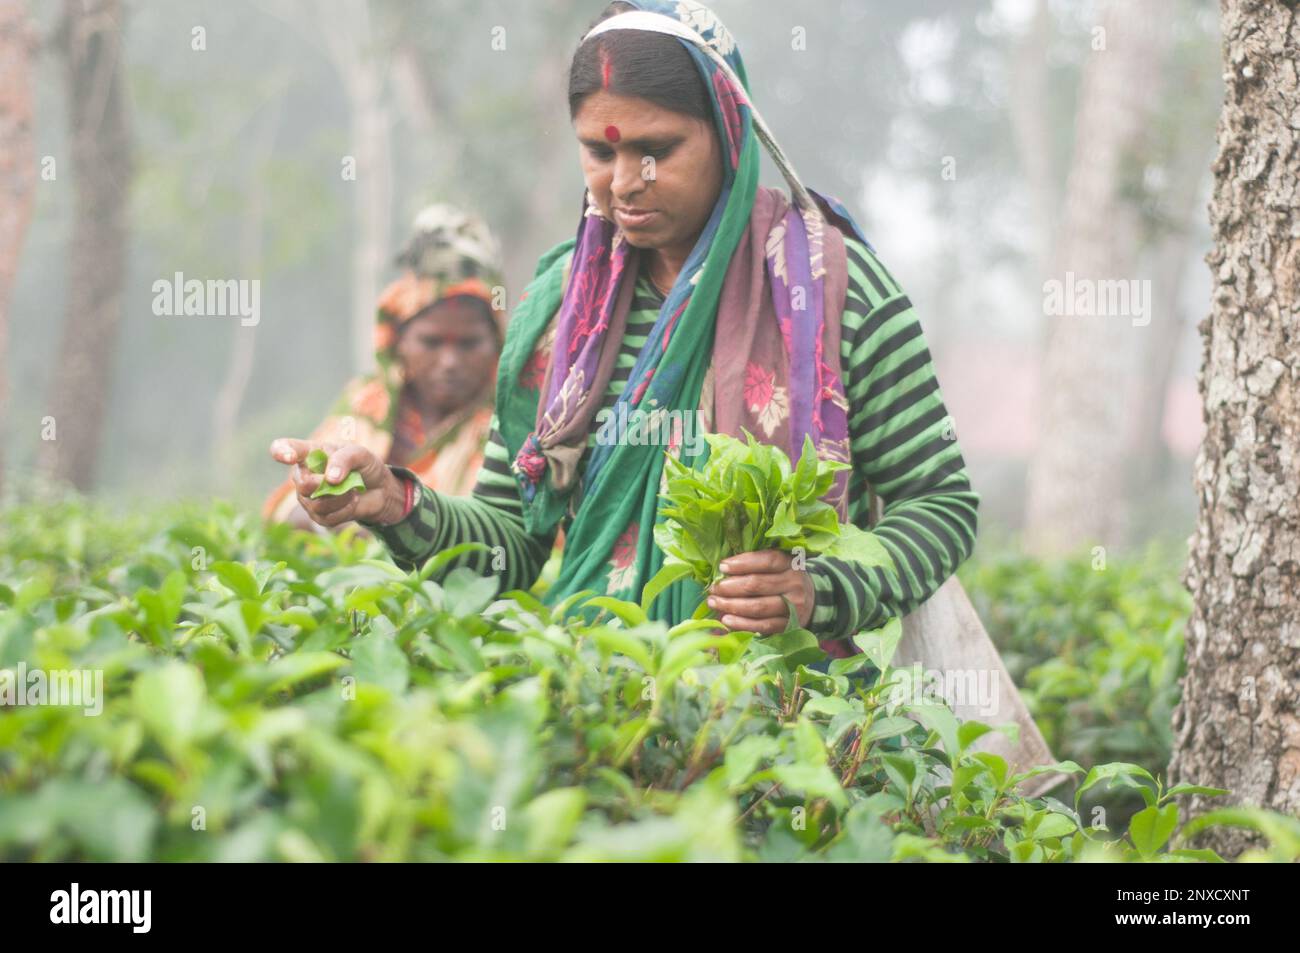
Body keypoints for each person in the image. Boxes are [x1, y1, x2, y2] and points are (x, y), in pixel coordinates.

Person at [269, 0, 979, 660]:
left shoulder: (834, 293)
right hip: (595, 711)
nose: (624, 183)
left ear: (730, 131)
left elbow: (940, 502)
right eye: (599, 153)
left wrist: (819, 589)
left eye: (656, 150)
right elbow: (513, 545)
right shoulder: (559, 315)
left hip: (786, 731)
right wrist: (393, 502)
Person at [263, 204, 506, 535]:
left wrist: (393, 522)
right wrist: (334, 510)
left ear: (496, 343)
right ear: (399, 342)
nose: (450, 361)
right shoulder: (367, 404)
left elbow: (511, 537)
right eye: (432, 342)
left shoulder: (508, 422)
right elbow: (291, 514)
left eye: (469, 344)